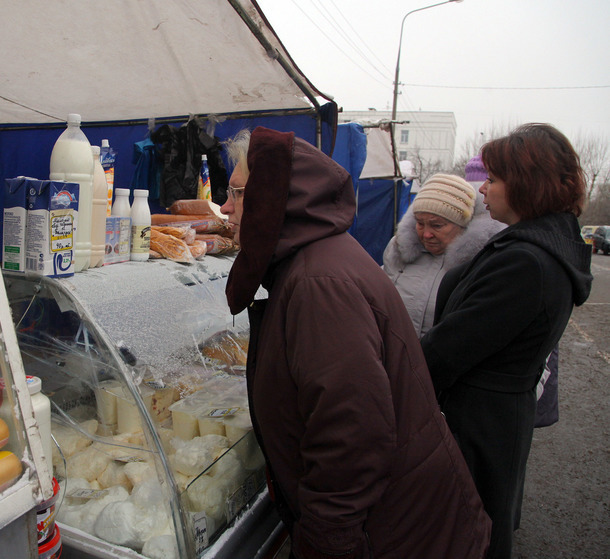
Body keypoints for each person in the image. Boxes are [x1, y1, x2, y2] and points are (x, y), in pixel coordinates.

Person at [220, 126, 491, 559]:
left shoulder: (317, 284)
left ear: (272, 195)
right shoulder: (315, 259)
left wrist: (324, 543)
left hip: (393, 536)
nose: (225, 207)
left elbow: (351, 438)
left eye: (236, 192)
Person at [420, 123, 593, 559]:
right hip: (493, 416)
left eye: (494, 181)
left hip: (479, 423)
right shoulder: (538, 247)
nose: (483, 192)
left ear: (525, 183)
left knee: (467, 533)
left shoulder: (526, 261)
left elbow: (450, 348)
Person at [383, 172, 505, 337]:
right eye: (420, 223)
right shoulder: (398, 249)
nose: (426, 234)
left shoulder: (483, 262)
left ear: (463, 225)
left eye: (437, 225)